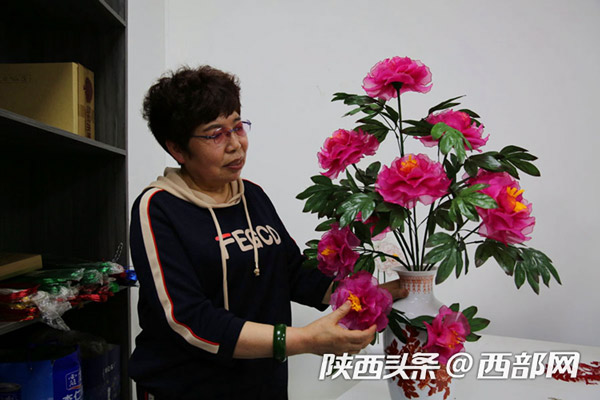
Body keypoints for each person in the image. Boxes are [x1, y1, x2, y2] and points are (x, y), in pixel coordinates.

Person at [129, 65, 407, 399]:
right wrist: (302, 340)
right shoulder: (158, 208)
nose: (235, 144)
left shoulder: (252, 196)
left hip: (261, 385)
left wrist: (370, 294)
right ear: (177, 149)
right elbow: (187, 320)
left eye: (237, 127)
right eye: (216, 134)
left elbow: (292, 273)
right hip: (189, 388)